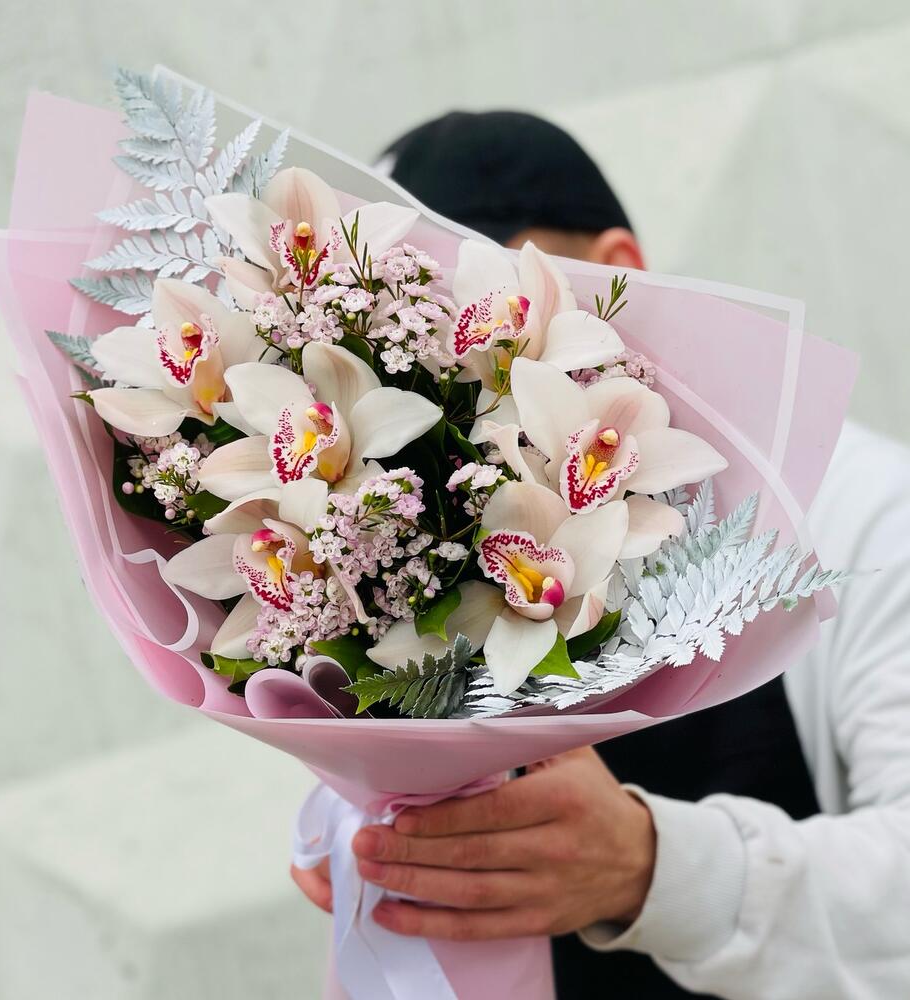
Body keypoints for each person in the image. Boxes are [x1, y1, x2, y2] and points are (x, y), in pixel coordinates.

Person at [292, 111, 910, 999]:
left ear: (619, 271)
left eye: (474, 302)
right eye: (404, 321)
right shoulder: (431, 551)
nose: (440, 361)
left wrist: (649, 869)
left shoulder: (864, 517)